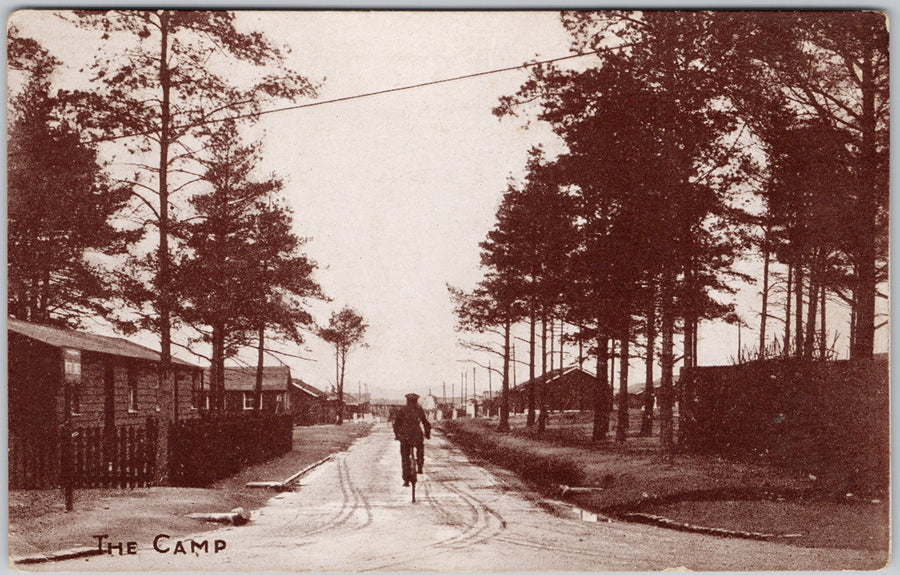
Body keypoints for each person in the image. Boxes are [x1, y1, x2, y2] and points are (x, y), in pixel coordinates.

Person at [393, 393, 431, 487]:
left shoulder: (403, 410)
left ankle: (406, 480)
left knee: (405, 458)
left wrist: (397, 435)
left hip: (405, 436)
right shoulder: (419, 410)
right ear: (416, 401)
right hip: (417, 435)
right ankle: (420, 466)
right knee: (420, 449)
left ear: (407, 400)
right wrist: (427, 434)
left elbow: (396, 424)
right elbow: (426, 423)